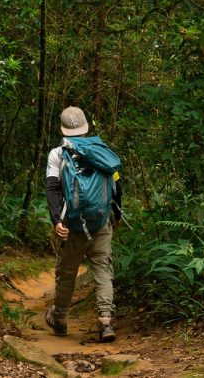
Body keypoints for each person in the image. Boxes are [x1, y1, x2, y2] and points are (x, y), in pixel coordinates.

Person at [44, 106, 122, 342]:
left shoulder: (57, 154)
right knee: (103, 271)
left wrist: (57, 220)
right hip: (100, 221)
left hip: (72, 224)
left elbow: (52, 188)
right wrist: (116, 215)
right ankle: (106, 322)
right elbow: (117, 186)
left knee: (66, 273)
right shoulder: (102, 151)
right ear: (86, 126)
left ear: (63, 129)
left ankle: (59, 320)